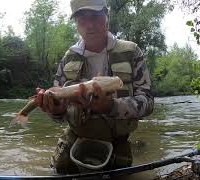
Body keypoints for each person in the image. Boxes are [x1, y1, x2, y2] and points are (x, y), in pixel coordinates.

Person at [36, 0, 154, 174]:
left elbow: (148, 103)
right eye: (82, 19)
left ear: (106, 17)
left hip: (117, 140)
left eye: (95, 16)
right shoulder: (68, 58)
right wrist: (56, 110)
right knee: (56, 172)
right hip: (75, 136)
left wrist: (111, 106)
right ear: (76, 23)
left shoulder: (132, 52)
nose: (89, 25)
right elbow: (59, 117)